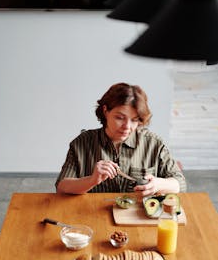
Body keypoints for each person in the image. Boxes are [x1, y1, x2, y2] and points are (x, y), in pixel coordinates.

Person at [55, 82, 186, 196]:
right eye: (120, 118)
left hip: (137, 217)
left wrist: (158, 184)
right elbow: (62, 187)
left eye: (134, 120)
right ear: (105, 111)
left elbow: (179, 183)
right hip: (94, 215)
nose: (127, 127)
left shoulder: (153, 144)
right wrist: (91, 180)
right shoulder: (82, 143)